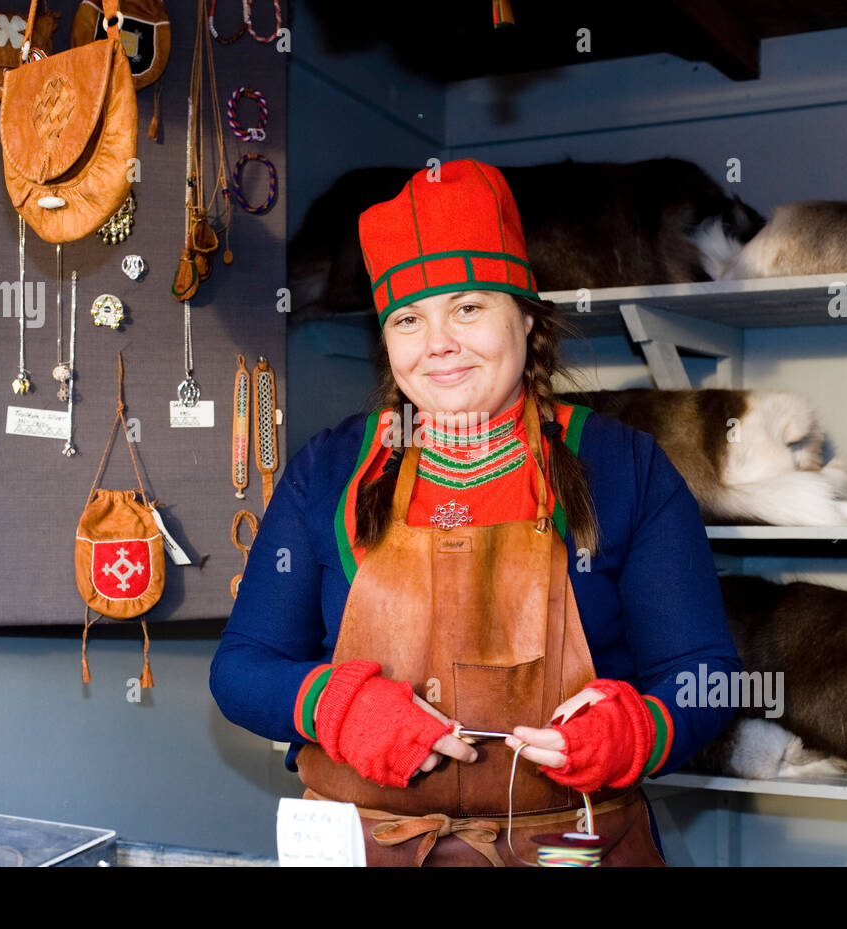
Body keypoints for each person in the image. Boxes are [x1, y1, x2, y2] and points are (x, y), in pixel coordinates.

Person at [211, 158, 742, 866]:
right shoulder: (328, 471)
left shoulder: (626, 467)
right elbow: (242, 668)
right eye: (408, 318)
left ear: (526, 316)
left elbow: (706, 674)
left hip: (569, 853)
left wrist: (635, 729)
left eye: (467, 308)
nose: (438, 344)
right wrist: (337, 706)